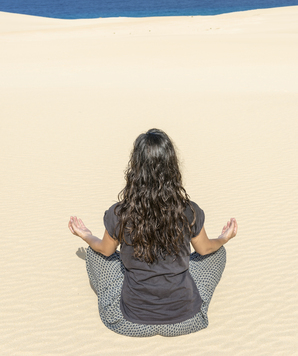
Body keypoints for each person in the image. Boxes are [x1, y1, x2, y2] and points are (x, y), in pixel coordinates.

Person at [68, 129, 237, 337]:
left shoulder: (120, 213)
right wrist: (224, 238)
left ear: (135, 168)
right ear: (172, 167)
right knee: (217, 253)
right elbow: (205, 249)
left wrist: (86, 234)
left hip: (129, 321)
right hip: (186, 320)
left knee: (94, 254)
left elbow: (104, 250)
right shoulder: (189, 210)